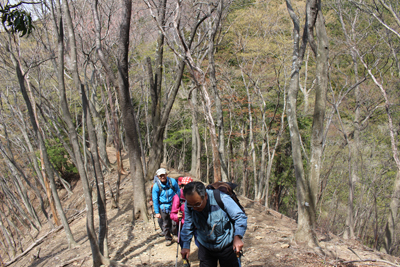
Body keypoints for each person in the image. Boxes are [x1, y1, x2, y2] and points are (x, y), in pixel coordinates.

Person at [180, 181, 247, 267]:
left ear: (205, 196)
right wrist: (186, 245)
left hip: (226, 246)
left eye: (197, 204)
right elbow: (188, 224)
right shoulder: (190, 204)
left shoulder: (222, 199)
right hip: (205, 247)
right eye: (191, 205)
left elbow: (240, 217)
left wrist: (237, 237)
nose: (194, 208)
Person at [152, 168, 180, 246]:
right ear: (158, 177)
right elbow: (155, 200)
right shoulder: (156, 186)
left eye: (163, 175)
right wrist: (157, 212)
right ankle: (168, 238)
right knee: (165, 224)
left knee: (175, 221)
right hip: (163, 206)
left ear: (166, 174)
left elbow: (178, 192)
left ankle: (175, 235)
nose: (162, 177)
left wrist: (179, 203)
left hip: (173, 204)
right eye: (160, 176)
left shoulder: (172, 181)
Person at [170, 177, 194, 245]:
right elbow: (172, 214)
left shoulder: (196, 196)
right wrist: (176, 216)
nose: (185, 188)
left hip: (195, 224)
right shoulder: (178, 197)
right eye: (183, 186)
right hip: (183, 224)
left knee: (200, 242)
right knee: (183, 243)